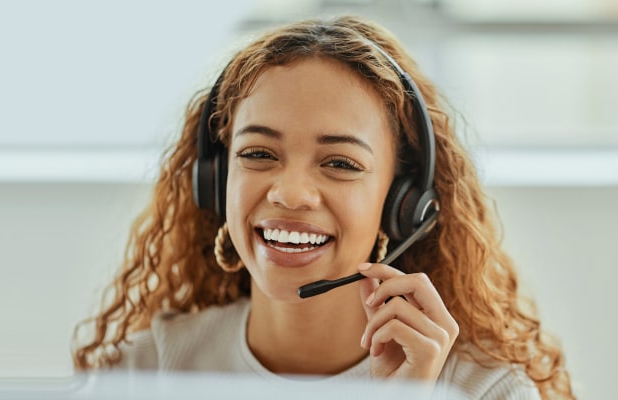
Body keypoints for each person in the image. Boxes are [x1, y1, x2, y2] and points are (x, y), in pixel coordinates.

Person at [72, 16, 573, 399]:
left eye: (339, 162)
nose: (290, 194)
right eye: (258, 154)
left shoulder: (484, 390)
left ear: (404, 203)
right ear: (216, 180)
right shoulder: (145, 371)